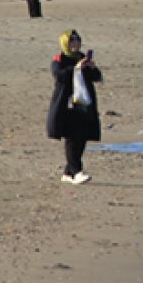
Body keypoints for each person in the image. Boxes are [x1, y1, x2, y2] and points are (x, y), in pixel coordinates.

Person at [47, 29, 101, 184]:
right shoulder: (59, 59)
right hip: (66, 104)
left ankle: (69, 172)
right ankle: (77, 171)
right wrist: (76, 68)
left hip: (84, 103)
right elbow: (59, 75)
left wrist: (91, 67)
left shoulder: (82, 57)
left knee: (82, 137)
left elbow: (96, 77)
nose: (75, 43)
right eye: (72, 40)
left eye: (77, 40)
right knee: (72, 137)